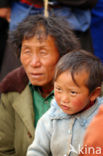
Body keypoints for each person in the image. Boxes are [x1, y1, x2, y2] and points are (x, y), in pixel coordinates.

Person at [0, 14, 80, 156]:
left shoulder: (90, 90)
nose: (34, 63)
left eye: (43, 52)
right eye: (27, 52)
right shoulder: (11, 91)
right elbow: (5, 151)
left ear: (63, 56)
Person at [26, 50, 103, 156]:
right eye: (58, 89)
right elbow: (37, 151)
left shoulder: (100, 119)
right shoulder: (51, 118)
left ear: (94, 93)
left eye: (73, 92)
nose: (64, 99)